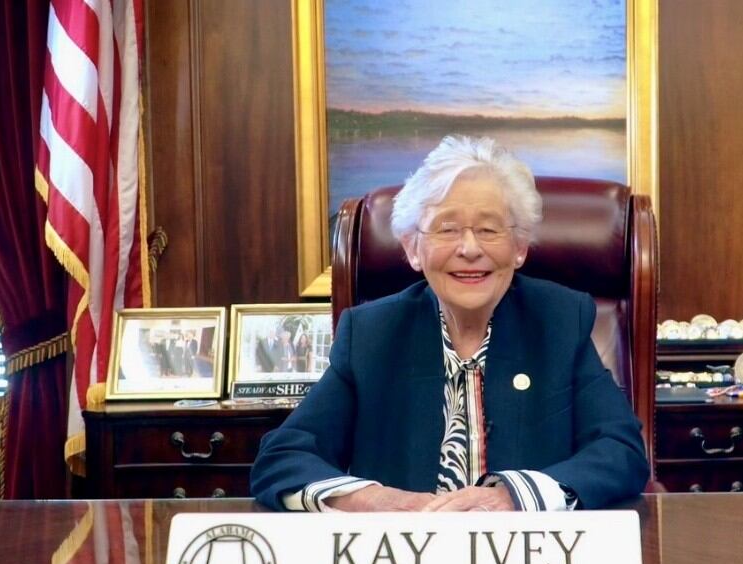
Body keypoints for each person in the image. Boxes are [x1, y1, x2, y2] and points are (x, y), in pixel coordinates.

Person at [251, 135, 649, 512]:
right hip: (405, 554)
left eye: (489, 229)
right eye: (447, 229)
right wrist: (373, 500)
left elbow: (621, 451)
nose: (469, 249)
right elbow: (282, 458)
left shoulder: (558, 321)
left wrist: (515, 498)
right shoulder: (372, 335)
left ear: (519, 247)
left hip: (528, 553)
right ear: (412, 248)